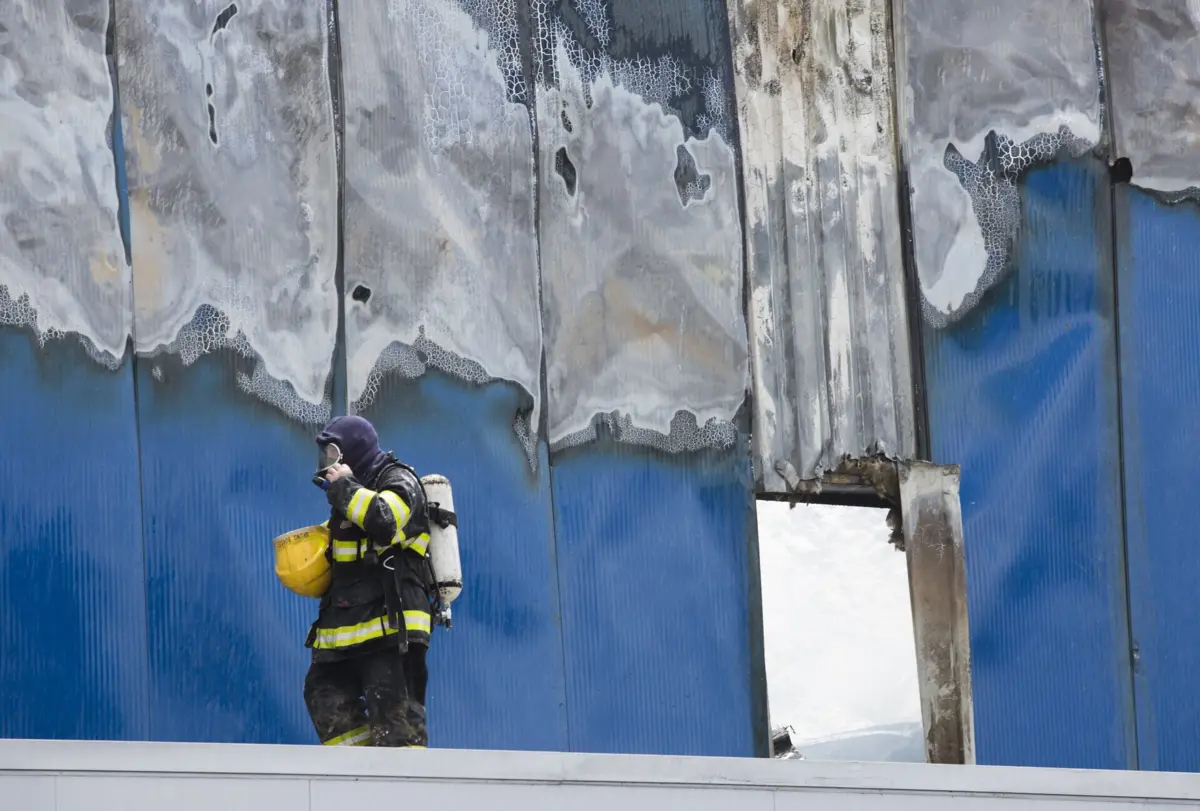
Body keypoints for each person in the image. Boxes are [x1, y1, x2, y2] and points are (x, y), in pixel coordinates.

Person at [302, 415, 435, 748]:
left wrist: (347, 488)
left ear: (351, 452)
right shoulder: (349, 498)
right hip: (346, 629)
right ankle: (356, 779)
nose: (326, 464)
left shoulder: (400, 480)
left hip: (391, 628)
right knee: (324, 696)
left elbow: (385, 521)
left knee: (394, 722)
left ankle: (405, 792)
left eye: (331, 454)